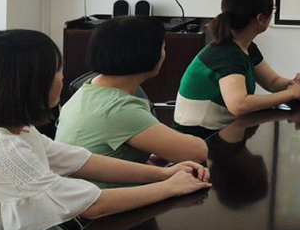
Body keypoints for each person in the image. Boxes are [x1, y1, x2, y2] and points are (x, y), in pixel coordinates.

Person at [0, 30, 210, 230]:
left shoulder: (1, 127)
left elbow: (80, 161)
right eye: (56, 71)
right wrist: (170, 187)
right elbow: (93, 206)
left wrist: (163, 174)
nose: (62, 78)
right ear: (29, 83)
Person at [57, 17, 208, 168]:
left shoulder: (89, 89)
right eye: (162, 48)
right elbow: (197, 153)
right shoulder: (117, 108)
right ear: (147, 54)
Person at [173, 0, 300, 138]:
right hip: (199, 137)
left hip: (221, 132)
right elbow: (238, 104)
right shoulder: (227, 54)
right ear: (260, 18)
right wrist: (292, 93)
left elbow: (273, 82)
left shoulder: (245, 47)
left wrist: (299, 83)